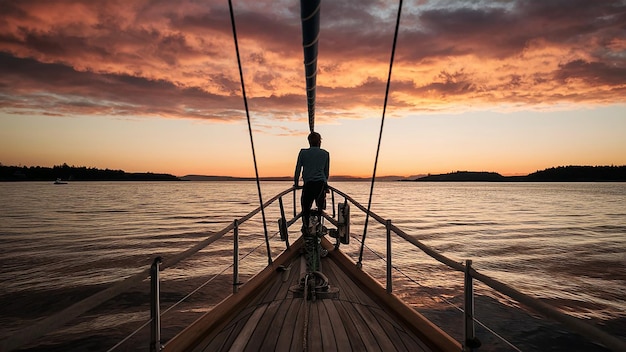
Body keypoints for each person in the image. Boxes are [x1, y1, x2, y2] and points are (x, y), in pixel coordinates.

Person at [294, 131, 330, 229]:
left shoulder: (303, 152)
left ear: (309, 141)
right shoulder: (325, 154)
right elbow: (326, 173)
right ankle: (318, 227)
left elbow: (298, 169)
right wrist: (325, 184)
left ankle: (306, 227)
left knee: (305, 207)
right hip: (320, 184)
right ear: (319, 142)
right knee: (320, 208)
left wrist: (296, 183)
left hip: (308, 184)